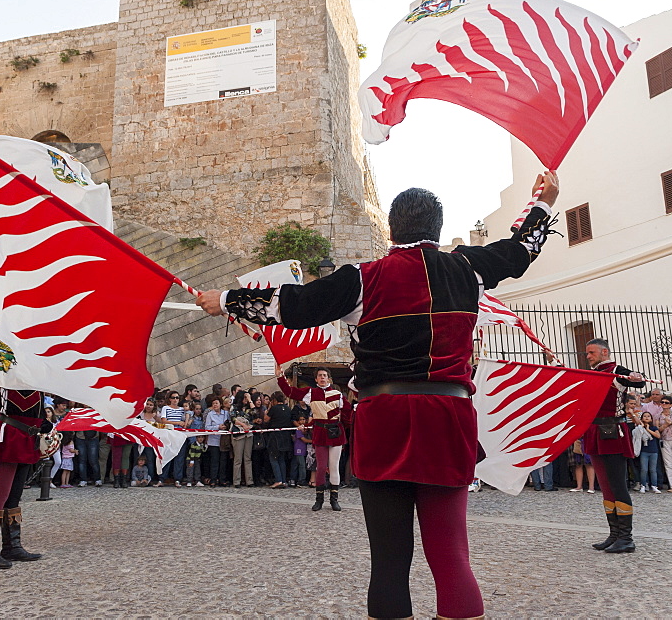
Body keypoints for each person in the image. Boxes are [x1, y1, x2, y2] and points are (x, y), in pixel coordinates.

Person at [196, 173, 560, 619]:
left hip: (384, 417)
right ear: (439, 230)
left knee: (389, 561)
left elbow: (293, 305)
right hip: (448, 416)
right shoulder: (469, 269)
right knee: (451, 554)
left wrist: (227, 299)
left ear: (391, 229)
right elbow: (522, 251)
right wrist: (544, 203)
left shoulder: (363, 279)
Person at [583, 339, 646, 554]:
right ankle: (614, 533)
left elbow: (638, 382)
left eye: (591, 352)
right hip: (596, 432)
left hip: (612, 433)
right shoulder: (592, 373)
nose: (588, 356)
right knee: (606, 487)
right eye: (587, 353)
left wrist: (637, 377)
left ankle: (626, 538)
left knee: (618, 485)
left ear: (604, 352)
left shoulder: (616, 370)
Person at [0, 387, 53, 568]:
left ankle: (12, 546)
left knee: (14, 495)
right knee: (0, 495)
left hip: (27, 438)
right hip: (10, 435)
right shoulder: (6, 377)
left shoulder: (36, 383)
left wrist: (42, 422)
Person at [276, 366, 349, 505]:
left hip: (335, 433)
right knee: (320, 467)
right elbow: (290, 392)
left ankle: (334, 500)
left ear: (329, 378)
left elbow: (348, 414)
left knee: (334, 466)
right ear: (316, 379)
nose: (322, 377)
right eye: (320, 375)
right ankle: (319, 500)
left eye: (324, 375)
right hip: (320, 433)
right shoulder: (310, 392)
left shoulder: (338, 394)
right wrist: (280, 378)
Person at [264, 390, 294, 491]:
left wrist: (267, 410)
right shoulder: (288, 409)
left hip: (275, 436)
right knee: (281, 459)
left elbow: (266, 419)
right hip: (285, 436)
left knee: (273, 458)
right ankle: (283, 480)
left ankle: (278, 480)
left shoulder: (274, 408)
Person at [159, 392, 188, 487]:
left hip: (180, 435)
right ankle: (162, 478)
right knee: (167, 455)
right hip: (169, 434)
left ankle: (177, 479)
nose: (175, 399)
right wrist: (177, 423)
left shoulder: (182, 409)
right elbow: (164, 420)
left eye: (177, 397)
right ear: (170, 399)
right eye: (173, 397)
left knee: (179, 457)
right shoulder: (165, 408)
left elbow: (187, 418)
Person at [229, 392, 255, 488]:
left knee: (247, 458)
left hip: (248, 434)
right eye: (244, 398)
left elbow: (254, 413)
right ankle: (236, 481)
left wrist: (250, 400)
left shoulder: (248, 408)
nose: (245, 399)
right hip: (238, 434)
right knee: (238, 459)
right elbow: (233, 418)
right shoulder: (234, 407)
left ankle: (249, 480)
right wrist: (243, 425)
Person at [202, 398, 229, 487]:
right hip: (213, 440)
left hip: (223, 441)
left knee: (223, 461)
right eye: (213, 403)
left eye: (216, 403)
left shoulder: (225, 413)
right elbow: (207, 427)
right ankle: (213, 479)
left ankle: (222, 479)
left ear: (220, 404)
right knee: (214, 461)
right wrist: (218, 427)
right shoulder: (210, 414)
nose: (215, 405)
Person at [635, 412, 661, 493]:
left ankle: (654, 485)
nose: (646, 418)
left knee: (653, 469)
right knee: (644, 469)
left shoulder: (654, 428)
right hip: (644, 451)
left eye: (648, 416)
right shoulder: (639, 428)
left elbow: (658, 436)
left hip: (653, 451)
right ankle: (643, 484)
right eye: (644, 416)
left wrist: (648, 429)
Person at [290, 415, 311, 487]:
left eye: (304, 419)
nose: (302, 421)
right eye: (301, 420)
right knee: (301, 465)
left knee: (296, 464)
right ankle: (301, 480)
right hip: (298, 449)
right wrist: (313, 441)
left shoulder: (306, 429)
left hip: (303, 449)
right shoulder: (298, 430)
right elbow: (303, 439)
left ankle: (294, 479)